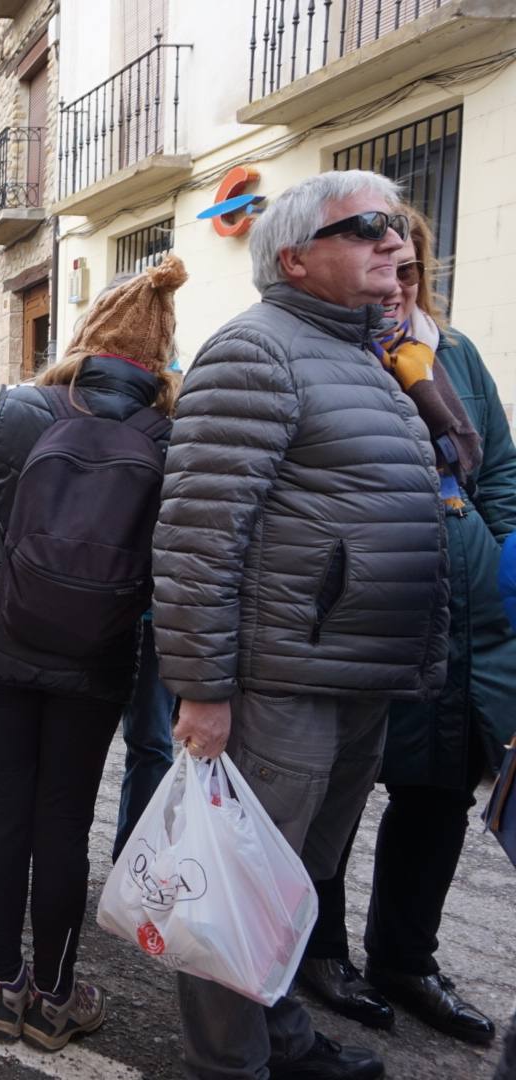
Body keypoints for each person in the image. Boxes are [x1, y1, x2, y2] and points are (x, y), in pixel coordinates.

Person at [154, 171, 448, 1080]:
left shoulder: (369, 356)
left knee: (293, 885)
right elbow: (201, 538)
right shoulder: (255, 353)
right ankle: (228, 1065)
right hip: (281, 684)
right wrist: (204, 691)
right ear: (294, 259)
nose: (395, 245)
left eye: (396, 228)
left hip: (355, 678)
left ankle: (280, 1040)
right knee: (240, 893)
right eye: (367, 230)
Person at [0, 256, 186, 1049]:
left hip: (2, 646)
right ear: (158, 360)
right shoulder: (170, 436)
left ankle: (1, 987)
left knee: (5, 812)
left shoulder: (18, 411)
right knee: (64, 823)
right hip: (98, 661)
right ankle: (55, 997)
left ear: (85, 339)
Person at [296, 207, 508, 1046]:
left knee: (438, 798)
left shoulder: (454, 356)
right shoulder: (332, 354)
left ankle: (405, 957)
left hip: (459, 621)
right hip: (363, 616)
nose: (400, 285)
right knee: (337, 798)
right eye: (389, 267)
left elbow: (503, 465)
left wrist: (495, 548)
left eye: (414, 271)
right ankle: (319, 951)